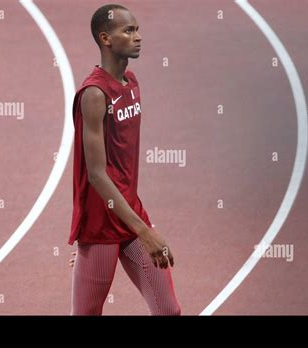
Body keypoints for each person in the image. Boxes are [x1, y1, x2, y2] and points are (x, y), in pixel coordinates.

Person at [68, 4, 181, 316]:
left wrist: (139, 225)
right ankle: (86, 256)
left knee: (168, 311)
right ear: (106, 38)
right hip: (101, 224)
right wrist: (146, 232)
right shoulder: (94, 94)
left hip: (129, 210)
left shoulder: (131, 83)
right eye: (128, 31)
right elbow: (96, 174)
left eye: (137, 29)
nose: (138, 37)